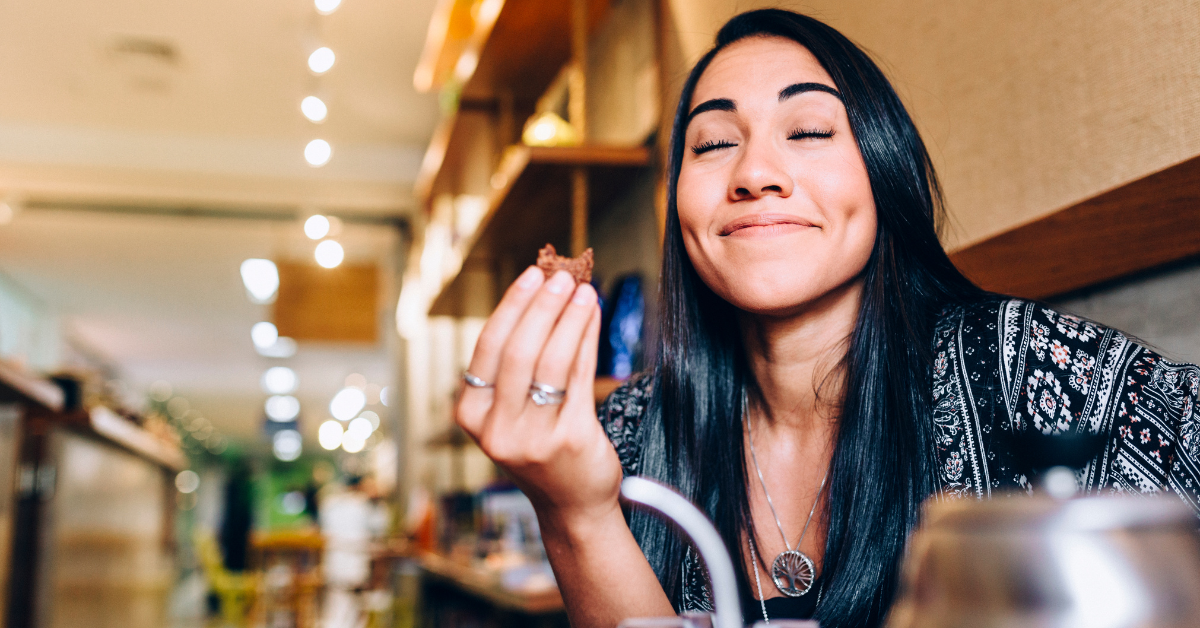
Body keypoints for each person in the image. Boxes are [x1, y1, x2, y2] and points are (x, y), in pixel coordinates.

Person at [454, 8, 1200, 628]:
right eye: (713, 144)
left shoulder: (1032, 371)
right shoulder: (627, 431)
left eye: (807, 131)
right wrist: (573, 511)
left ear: (883, 166)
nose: (754, 174)